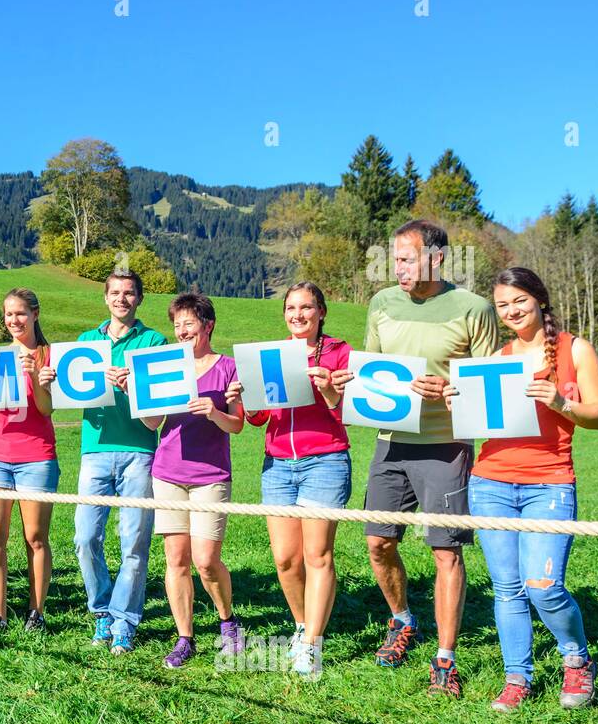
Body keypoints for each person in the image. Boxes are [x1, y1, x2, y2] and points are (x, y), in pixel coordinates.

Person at [337, 219, 500, 696]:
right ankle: (403, 620)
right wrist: (352, 386)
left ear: (438, 258)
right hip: (390, 443)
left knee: (445, 550)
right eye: (395, 260)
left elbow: (489, 389)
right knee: (378, 543)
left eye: (407, 259)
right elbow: (374, 371)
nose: (398, 268)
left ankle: (445, 659)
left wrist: (452, 391)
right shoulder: (381, 303)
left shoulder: (474, 308)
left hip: (447, 446)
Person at [443, 268, 598, 711]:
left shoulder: (575, 350)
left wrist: (561, 402)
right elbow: (480, 426)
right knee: (508, 589)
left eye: (519, 300)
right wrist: (458, 404)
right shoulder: (498, 357)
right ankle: (517, 677)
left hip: (549, 484)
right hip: (491, 482)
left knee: (544, 586)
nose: (512, 310)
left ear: (539, 299)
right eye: (503, 305)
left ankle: (578, 662)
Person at [39, 269, 165, 654]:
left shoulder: (153, 341)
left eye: (129, 293)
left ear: (139, 299)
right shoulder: (85, 343)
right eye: (115, 293)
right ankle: (102, 612)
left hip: (139, 452)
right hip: (94, 451)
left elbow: (158, 413)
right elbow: (68, 395)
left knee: (134, 542)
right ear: (105, 298)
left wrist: (134, 387)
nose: (121, 299)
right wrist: (49, 380)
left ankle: (125, 621)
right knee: (84, 538)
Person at [230, 282, 351, 677]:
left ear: (321, 312)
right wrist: (247, 399)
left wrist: (330, 391)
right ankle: (301, 625)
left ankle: (313, 644)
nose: (298, 314)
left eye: (307, 307)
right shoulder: (271, 355)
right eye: (291, 308)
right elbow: (260, 419)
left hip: (325, 461)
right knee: (285, 560)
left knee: (318, 556)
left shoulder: (340, 352)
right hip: (278, 464)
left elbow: (352, 411)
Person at [140, 294, 244, 666]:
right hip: (168, 472)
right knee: (177, 559)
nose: (182, 331)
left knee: (205, 560)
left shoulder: (229, 368)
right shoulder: (166, 364)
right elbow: (152, 423)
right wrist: (136, 394)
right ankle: (185, 637)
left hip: (211, 476)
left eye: (189, 323)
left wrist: (215, 412)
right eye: (177, 325)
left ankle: (228, 621)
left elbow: (237, 424)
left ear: (208, 325)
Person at [0, 289, 57, 641]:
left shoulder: (50, 355)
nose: (13, 321)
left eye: (20, 314)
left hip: (36, 454)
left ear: (35, 314)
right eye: (8, 315)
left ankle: (36, 611)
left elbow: (47, 409)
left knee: (35, 537)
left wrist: (38, 376)